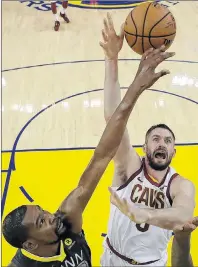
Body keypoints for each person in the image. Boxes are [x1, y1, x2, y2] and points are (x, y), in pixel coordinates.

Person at [2, 41, 174, 266]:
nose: (51, 216)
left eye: (43, 211)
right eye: (42, 221)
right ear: (30, 245)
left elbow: (102, 155)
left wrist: (136, 86)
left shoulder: (67, 220)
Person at [100, 13, 195, 266]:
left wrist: (144, 213)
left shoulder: (180, 185)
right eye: (155, 139)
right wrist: (112, 59)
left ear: (174, 152)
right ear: (145, 148)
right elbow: (113, 119)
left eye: (167, 141)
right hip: (111, 258)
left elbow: (183, 214)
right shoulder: (129, 166)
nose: (161, 143)